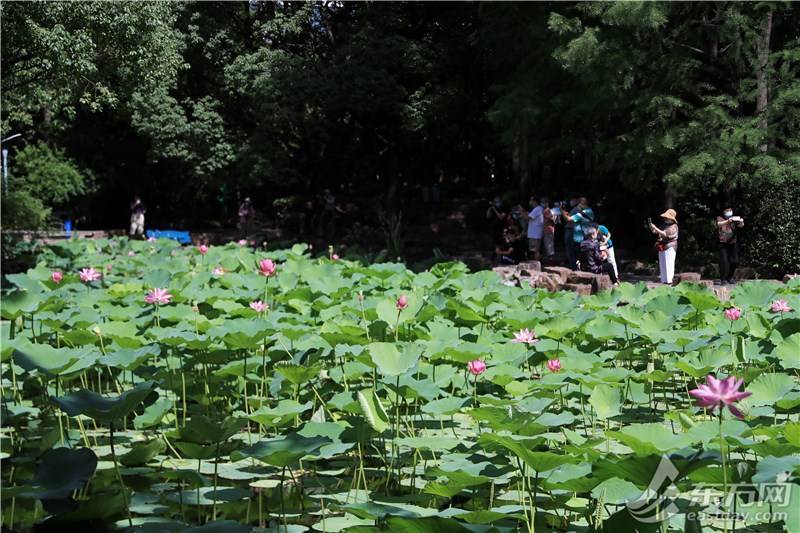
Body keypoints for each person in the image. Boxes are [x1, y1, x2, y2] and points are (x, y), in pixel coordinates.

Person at [563, 197, 595, 269]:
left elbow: (568, 219)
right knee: (582, 254)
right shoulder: (590, 212)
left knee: (573, 253)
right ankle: (583, 268)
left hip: (579, 236)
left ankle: (575, 269)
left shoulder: (582, 213)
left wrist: (562, 211)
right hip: (586, 235)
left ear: (581, 204)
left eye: (579, 204)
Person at [649, 208, 679, 284]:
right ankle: (664, 280)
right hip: (662, 245)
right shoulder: (664, 225)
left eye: (667, 217)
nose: (665, 219)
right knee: (662, 264)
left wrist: (655, 227)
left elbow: (665, 234)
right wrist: (651, 226)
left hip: (670, 246)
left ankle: (669, 281)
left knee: (669, 263)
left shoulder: (674, 226)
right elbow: (655, 231)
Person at [716, 206, 744, 284]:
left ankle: (730, 277)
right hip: (723, 243)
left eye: (730, 210)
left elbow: (741, 226)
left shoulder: (734, 219)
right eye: (727, 210)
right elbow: (719, 224)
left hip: (733, 242)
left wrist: (741, 221)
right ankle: (723, 279)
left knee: (734, 260)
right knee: (724, 262)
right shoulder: (720, 218)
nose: (729, 212)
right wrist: (728, 221)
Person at [525, 196, 544, 261]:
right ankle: (535, 263)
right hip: (533, 234)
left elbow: (527, 218)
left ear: (535, 201)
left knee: (536, 251)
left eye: (531, 200)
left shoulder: (538, 209)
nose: (530, 202)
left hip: (535, 234)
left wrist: (521, 211)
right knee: (533, 251)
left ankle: (537, 264)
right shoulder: (536, 209)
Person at [563, 197, 578, 269]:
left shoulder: (576, 209)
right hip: (573, 230)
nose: (571, 201)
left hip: (571, 230)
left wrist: (562, 211)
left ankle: (573, 267)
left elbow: (568, 219)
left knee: (571, 250)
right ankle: (574, 266)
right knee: (573, 250)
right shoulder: (575, 209)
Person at [541, 197, 557, 263]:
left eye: (543, 202)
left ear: (547, 203)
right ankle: (549, 258)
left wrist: (547, 217)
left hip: (549, 229)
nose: (542, 204)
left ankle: (551, 259)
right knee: (547, 244)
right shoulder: (545, 210)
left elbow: (554, 219)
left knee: (549, 244)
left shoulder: (548, 210)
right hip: (546, 229)